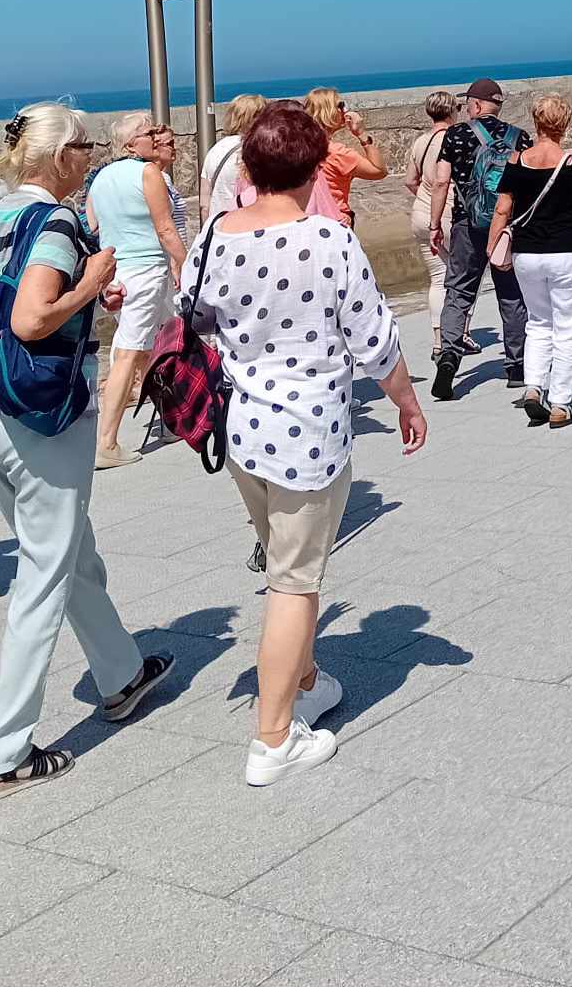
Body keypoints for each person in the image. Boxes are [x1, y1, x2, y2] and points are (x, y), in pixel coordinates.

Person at [185, 102, 426, 784]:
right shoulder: (328, 240)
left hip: (241, 430)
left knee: (281, 560)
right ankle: (272, 740)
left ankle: (308, 680)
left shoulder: (216, 235)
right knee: (294, 584)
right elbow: (374, 339)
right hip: (308, 436)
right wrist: (406, 401)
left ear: (250, 166)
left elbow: (192, 313)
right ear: (315, 166)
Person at [0, 103, 173, 802]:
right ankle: (3, 753)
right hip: (45, 417)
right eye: (85, 147)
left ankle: (121, 674)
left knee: (68, 551)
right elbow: (30, 319)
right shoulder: (56, 221)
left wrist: (82, 298)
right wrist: (87, 286)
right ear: (60, 157)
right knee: (42, 577)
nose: (90, 159)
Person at [487, 95, 572, 429]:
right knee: (568, 327)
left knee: (538, 322)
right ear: (565, 124)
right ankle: (560, 404)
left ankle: (533, 387)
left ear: (536, 122)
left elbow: (502, 208)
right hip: (564, 253)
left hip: (526, 255)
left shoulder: (517, 161)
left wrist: (491, 248)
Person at [87, 111, 186, 470]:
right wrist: (187, 263)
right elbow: (166, 229)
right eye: (148, 133)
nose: (155, 137)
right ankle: (107, 441)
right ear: (130, 144)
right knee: (129, 353)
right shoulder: (148, 173)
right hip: (147, 270)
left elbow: (93, 226)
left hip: (119, 272)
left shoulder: (100, 179)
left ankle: (171, 419)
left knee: (153, 346)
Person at [429, 80, 532, 402]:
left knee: (459, 291)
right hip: (506, 226)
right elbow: (528, 184)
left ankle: (449, 355)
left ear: (475, 105)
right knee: (511, 294)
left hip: (467, 224)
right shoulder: (519, 137)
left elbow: (441, 182)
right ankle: (516, 367)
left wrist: (434, 224)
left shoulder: (455, 135)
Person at [406, 90, 459, 359]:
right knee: (462, 276)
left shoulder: (420, 142)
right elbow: (445, 181)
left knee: (438, 277)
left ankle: (439, 340)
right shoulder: (455, 139)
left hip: (420, 214)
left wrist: (426, 200)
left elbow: (410, 181)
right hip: (448, 214)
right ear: (452, 111)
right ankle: (459, 334)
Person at [301, 87, 388, 232]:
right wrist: (361, 134)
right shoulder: (337, 153)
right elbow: (379, 171)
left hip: (307, 218)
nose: (344, 110)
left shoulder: (299, 147)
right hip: (335, 219)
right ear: (329, 112)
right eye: (340, 105)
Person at [200, 95, 267, 222]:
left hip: (219, 224)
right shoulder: (255, 150)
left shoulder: (215, 149)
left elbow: (204, 204)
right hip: (246, 223)